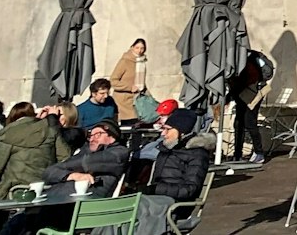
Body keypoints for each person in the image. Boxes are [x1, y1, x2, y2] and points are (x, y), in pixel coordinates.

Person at [0, 103, 67, 203]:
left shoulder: (7, 134)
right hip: (46, 188)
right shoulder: (50, 130)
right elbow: (65, 157)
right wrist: (47, 120)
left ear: (12, 117)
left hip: (14, 191)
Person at [131, 107, 211, 235]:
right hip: (158, 200)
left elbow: (190, 189)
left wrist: (155, 189)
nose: (163, 133)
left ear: (182, 131)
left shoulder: (197, 154)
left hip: (177, 205)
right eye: (164, 129)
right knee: (124, 208)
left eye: (168, 129)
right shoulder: (167, 150)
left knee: (137, 209)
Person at [42, 119, 128, 196]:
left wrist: (63, 168)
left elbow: (87, 162)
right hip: (56, 197)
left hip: (83, 202)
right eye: (91, 135)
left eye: (98, 134)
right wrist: (71, 175)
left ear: (112, 136)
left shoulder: (118, 153)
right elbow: (48, 172)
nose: (92, 139)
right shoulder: (84, 151)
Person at [227, 47, 273, 164]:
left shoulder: (249, 57)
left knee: (249, 122)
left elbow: (259, 75)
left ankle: (259, 153)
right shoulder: (235, 56)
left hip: (252, 93)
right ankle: (237, 154)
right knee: (238, 123)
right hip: (242, 94)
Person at [108, 39, 149, 123]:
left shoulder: (141, 63)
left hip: (137, 100)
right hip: (123, 102)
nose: (139, 50)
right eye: (137, 48)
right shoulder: (125, 61)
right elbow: (113, 81)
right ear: (132, 47)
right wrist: (130, 87)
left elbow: (142, 84)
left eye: (142, 48)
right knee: (127, 125)